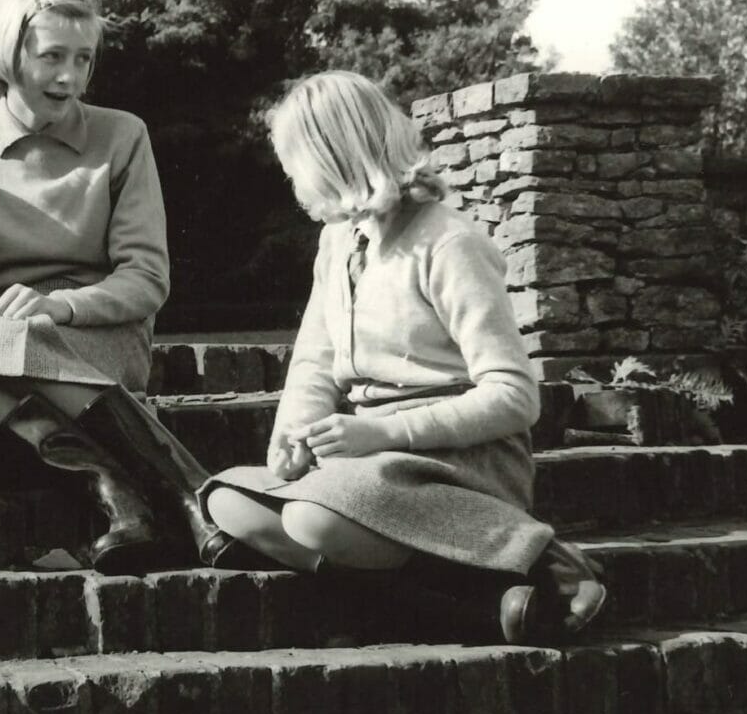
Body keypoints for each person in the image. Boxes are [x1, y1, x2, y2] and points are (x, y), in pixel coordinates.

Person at [201, 70, 607, 643]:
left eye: (295, 166)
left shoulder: (448, 243)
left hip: (459, 461)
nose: (291, 183)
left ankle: (526, 548)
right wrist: (289, 440)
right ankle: (482, 604)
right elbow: (315, 362)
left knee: (308, 520)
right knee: (226, 502)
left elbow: (514, 397)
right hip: (368, 463)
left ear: (334, 156)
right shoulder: (338, 241)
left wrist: (385, 436)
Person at [0, 0, 243, 574]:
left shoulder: (123, 136)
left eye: (84, 59)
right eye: (52, 57)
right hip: (4, 342)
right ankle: (117, 490)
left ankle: (176, 494)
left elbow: (146, 279)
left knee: (14, 346)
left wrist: (58, 307)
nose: (70, 76)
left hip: (101, 334)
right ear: (9, 54)